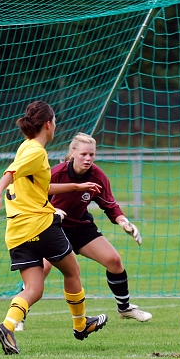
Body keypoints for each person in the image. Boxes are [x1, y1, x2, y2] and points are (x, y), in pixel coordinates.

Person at [0, 101, 107, 355]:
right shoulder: (36, 151)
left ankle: (7, 326)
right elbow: (9, 174)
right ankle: (81, 325)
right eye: (55, 122)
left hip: (17, 231)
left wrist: (77, 187)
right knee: (72, 271)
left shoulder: (25, 147)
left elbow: (41, 187)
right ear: (48, 124)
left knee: (34, 289)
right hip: (40, 225)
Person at [16, 132, 151, 330]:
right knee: (42, 269)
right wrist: (51, 211)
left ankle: (125, 308)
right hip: (53, 228)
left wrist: (124, 222)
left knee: (114, 260)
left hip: (81, 227)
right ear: (73, 153)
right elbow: (32, 198)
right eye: (83, 154)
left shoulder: (97, 175)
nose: (88, 158)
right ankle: (19, 317)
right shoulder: (56, 173)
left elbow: (109, 204)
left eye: (91, 154)